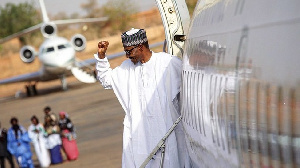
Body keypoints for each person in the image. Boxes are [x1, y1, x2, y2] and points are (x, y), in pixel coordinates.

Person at [94, 28, 190, 167]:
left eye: (129, 51)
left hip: (168, 133)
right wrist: (102, 58)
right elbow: (106, 80)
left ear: (140, 47)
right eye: (125, 51)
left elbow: (190, 84)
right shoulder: (126, 68)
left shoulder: (168, 63)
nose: (127, 56)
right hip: (141, 137)